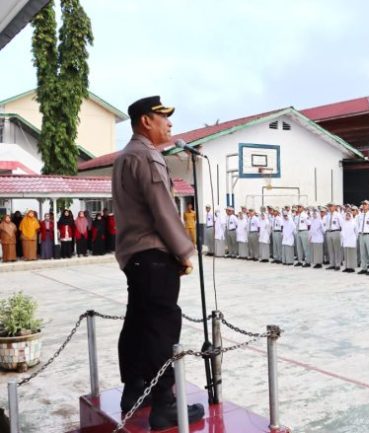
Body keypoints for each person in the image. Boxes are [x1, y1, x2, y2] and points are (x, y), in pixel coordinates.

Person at [112, 96, 203, 429]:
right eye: (164, 118)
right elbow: (162, 210)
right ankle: (164, 403)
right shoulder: (148, 157)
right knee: (162, 327)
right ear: (145, 121)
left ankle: (136, 389)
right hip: (153, 254)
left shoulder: (126, 156)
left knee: (138, 321)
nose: (170, 125)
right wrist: (184, 252)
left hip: (135, 255)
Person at [325, 203, 343, 270]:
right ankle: (332, 264)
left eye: (331, 206)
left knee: (337, 249)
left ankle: (337, 264)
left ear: (335, 207)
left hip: (336, 231)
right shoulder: (328, 215)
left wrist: (341, 233)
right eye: (329, 206)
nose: (330, 208)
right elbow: (326, 224)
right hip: (329, 232)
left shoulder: (338, 215)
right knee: (330, 249)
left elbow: (342, 224)